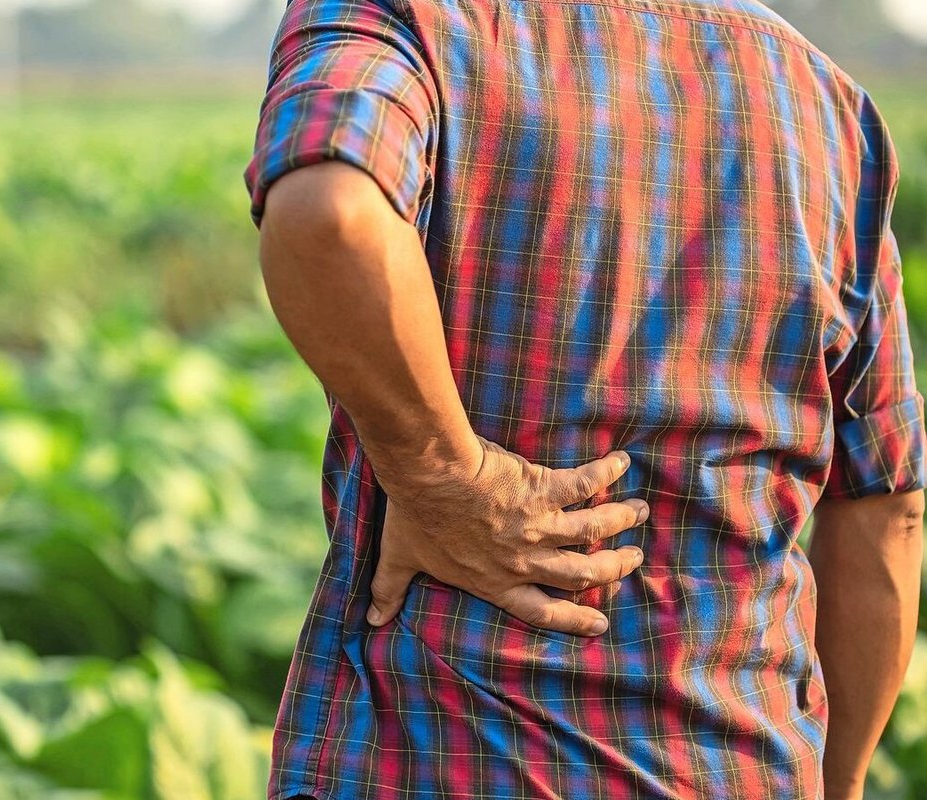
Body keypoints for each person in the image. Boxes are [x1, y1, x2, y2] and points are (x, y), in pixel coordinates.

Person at [242, 0, 927, 797]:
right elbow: (887, 509)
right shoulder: (827, 103)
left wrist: (442, 475)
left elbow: (330, 215)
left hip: (440, 755)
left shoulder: (410, 20)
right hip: (739, 763)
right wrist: (834, 783)